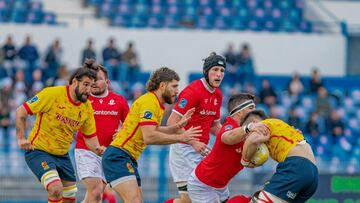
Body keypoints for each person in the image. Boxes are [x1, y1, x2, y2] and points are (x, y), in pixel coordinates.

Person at [102, 67, 201, 203]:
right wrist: (181, 137)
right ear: (162, 86)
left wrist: (176, 127)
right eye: (174, 86)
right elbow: (149, 137)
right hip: (118, 156)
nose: (177, 91)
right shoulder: (150, 102)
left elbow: (153, 129)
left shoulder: (156, 104)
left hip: (127, 157)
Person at [15, 66, 106, 203]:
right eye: (85, 85)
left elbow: (90, 139)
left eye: (91, 86)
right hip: (39, 151)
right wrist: (21, 138)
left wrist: (99, 149)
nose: (88, 90)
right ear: (75, 82)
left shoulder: (86, 108)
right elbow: (21, 111)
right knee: (55, 189)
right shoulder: (52, 94)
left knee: (69, 198)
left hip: (63, 156)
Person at [166, 52, 226, 203]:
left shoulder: (217, 95)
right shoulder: (193, 91)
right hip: (184, 148)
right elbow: (172, 122)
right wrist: (193, 142)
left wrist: (235, 136)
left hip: (201, 149)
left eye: (222, 71)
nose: (219, 74)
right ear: (206, 71)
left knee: (192, 199)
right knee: (199, 196)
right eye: (215, 70)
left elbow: (214, 126)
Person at [187, 93, 268, 203]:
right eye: (251, 107)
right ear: (239, 112)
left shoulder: (249, 132)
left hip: (220, 187)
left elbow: (248, 163)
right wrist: (249, 128)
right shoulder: (230, 126)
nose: (255, 111)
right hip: (202, 185)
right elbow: (228, 137)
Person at [75, 59, 129, 203]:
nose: (94, 83)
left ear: (107, 82)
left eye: (98, 79)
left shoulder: (119, 101)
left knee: (94, 196)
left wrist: (123, 132)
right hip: (86, 150)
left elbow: (130, 125)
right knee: (97, 190)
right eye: (91, 79)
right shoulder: (82, 101)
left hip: (108, 154)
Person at [239, 110, 318, 203]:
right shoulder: (280, 129)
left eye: (247, 134)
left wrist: (244, 161)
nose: (246, 137)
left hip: (296, 166)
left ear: (254, 121)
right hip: (313, 175)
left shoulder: (263, 125)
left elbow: (252, 140)